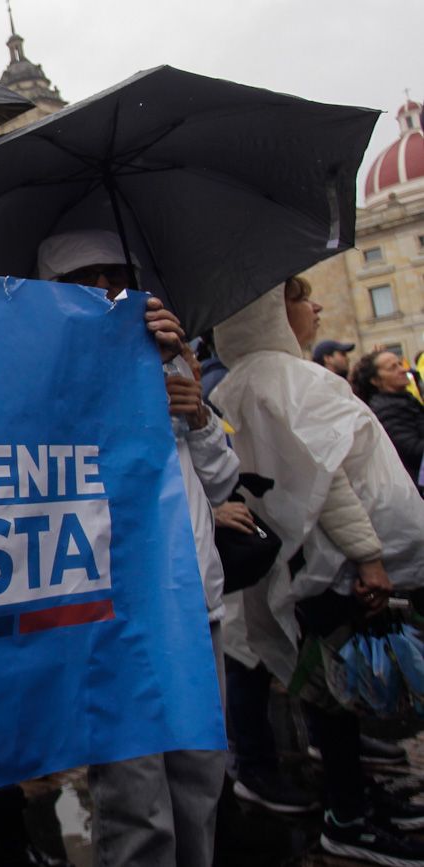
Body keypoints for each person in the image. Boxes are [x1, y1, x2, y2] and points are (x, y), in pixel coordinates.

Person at [37, 229, 233, 867]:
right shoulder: (42, 377)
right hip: (114, 617)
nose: (103, 289)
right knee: (137, 802)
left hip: (195, 608)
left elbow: (223, 480)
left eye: (114, 273)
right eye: (82, 278)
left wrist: (195, 414)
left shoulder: (170, 360)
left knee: (201, 785)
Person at [213, 277, 424, 866]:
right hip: (333, 568)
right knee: (340, 699)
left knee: (328, 694)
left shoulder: (239, 384)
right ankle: (349, 815)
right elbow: (327, 484)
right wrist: (371, 558)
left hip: (299, 571)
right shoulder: (292, 380)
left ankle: (352, 799)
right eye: (303, 299)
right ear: (271, 312)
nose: (318, 307)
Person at [351, 349, 424, 494]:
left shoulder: (402, 398)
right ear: (376, 380)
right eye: (393, 368)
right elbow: (412, 449)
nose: (403, 370)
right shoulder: (386, 408)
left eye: (400, 364)